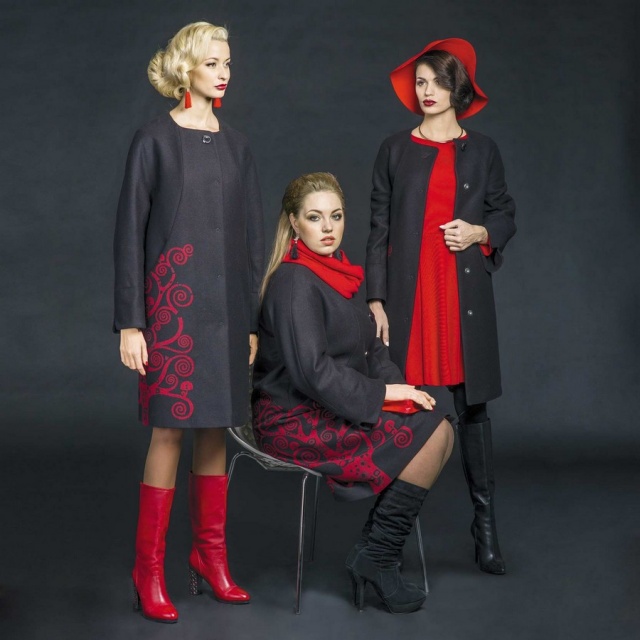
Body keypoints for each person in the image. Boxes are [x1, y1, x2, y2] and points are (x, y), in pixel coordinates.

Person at [113, 22, 264, 623]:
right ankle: (147, 571)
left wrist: (250, 321)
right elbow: (129, 233)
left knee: (216, 429)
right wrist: (132, 323)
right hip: (171, 311)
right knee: (169, 432)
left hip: (226, 314)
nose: (223, 73)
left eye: (228, 62)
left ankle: (210, 557)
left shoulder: (239, 145)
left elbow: (251, 240)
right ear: (186, 68)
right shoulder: (153, 140)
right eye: (212, 63)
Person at [251, 173, 454, 614]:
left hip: (330, 402)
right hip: (291, 417)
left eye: (336, 216)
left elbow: (372, 349)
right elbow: (311, 372)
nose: (328, 227)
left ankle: (375, 553)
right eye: (315, 217)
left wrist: (402, 391)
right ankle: (377, 557)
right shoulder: (294, 282)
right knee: (433, 433)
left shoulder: (339, 274)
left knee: (437, 423)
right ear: (294, 223)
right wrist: (383, 395)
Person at [366, 38, 516, 575]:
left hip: (461, 294)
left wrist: (479, 232)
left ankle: (486, 527)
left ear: (459, 88)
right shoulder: (394, 149)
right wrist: (376, 299)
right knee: (404, 408)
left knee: (472, 409)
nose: (427, 91)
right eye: (420, 82)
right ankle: (387, 536)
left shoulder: (484, 149)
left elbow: (503, 213)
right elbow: (378, 228)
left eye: (437, 82)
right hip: (410, 295)